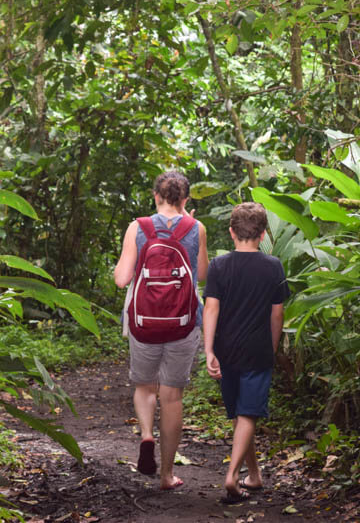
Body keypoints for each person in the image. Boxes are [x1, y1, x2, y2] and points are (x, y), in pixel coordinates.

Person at [113, 171, 208, 491]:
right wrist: (191, 231)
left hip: (144, 324)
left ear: (156, 196)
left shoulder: (137, 227)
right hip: (183, 325)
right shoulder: (196, 228)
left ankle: (146, 435)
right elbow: (203, 274)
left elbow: (121, 279)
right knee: (172, 397)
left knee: (144, 386)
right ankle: (167, 475)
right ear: (185, 200)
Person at [203, 202, 289, 504]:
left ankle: (254, 475)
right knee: (248, 413)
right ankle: (232, 475)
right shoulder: (273, 266)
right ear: (263, 234)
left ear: (231, 232)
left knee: (242, 414)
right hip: (257, 349)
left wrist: (208, 349)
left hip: (226, 350)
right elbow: (276, 315)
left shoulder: (218, 266)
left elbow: (211, 308)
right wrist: (273, 347)